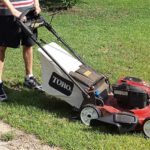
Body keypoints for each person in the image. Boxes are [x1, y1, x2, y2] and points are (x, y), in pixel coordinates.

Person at [0, 0, 43, 101]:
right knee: (1, 48)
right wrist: (13, 10)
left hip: (29, 12)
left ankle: (29, 78)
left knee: (29, 44)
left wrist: (36, 4)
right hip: (7, 13)